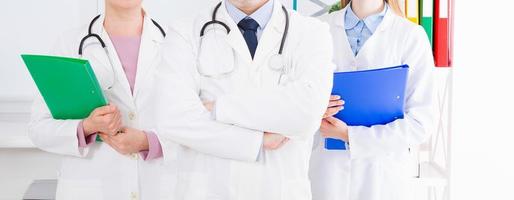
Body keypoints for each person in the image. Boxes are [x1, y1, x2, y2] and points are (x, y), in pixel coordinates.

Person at [153, 0, 335, 199]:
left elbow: (306, 113)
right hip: (208, 191)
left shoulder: (311, 32)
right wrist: (256, 141)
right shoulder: (185, 32)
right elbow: (173, 118)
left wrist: (219, 107)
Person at [28, 0, 170, 199]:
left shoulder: (175, 44)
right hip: (92, 189)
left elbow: (200, 126)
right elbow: (39, 129)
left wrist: (149, 142)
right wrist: (86, 127)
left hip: (159, 187)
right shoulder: (69, 45)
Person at [309, 0, 436, 200]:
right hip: (326, 175)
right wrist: (314, 109)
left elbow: (421, 123)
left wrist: (351, 136)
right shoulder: (317, 30)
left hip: (383, 179)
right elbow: (294, 104)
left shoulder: (411, 36)